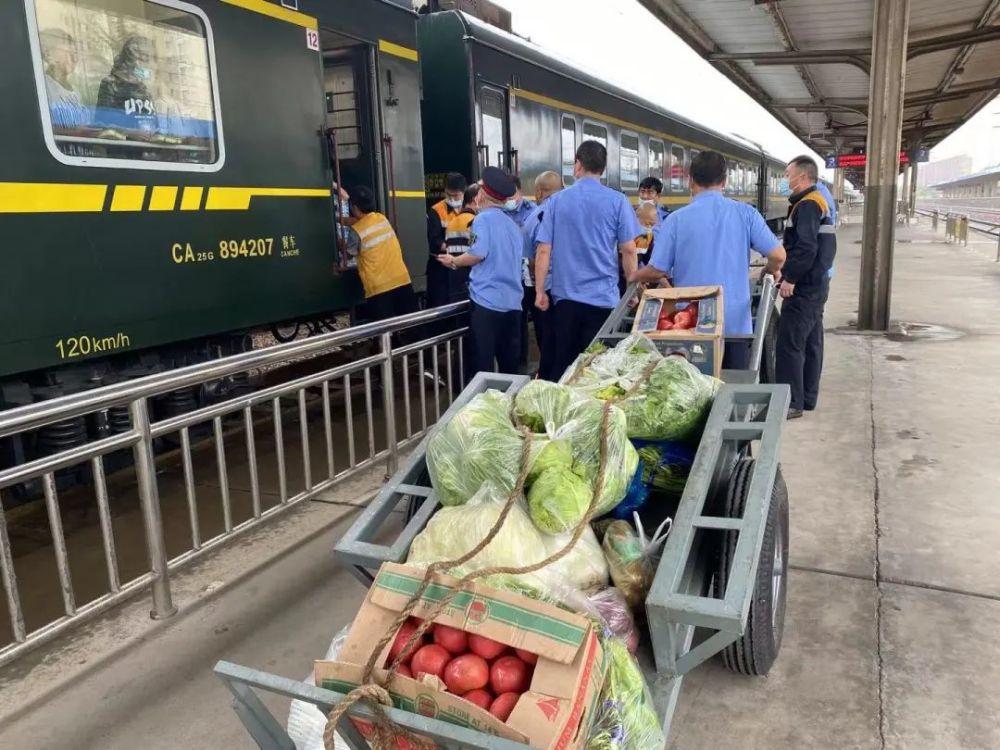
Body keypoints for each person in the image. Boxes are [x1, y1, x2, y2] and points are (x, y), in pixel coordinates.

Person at [631, 151, 786, 371]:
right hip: (734, 324)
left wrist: (634, 275)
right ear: (724, 181)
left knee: (694, 391)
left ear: (690, 180)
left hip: (691, 326)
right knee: (733, 388)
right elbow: (779, 256)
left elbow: (657, 270)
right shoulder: (746, 214)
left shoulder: (676, 220)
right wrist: (769, 270)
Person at [534, 140, 642, 381]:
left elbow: (543, 250)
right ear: (603, 169)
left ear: (578, 165)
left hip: (566, 301)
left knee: (565, 368)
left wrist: (540, 291)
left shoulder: (557, 201)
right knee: (598, 372)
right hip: (603, 302)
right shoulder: (618, 201)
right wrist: (632, 290)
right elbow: (629, 250)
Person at [436, 167, 524, 375]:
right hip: (513, 304)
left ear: (482, 194)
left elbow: (478, 253)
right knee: (509, 367)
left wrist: (454, 261)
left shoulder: (482, 220)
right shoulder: (512, 225)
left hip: (487, 303)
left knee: (482, 367)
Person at [775, 155, 837, 419]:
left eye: (788, 174)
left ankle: (791, 402)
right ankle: (807, 398)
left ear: (802, 177)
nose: (785, 179)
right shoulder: (818, 201)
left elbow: (806, 248)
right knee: (812, 342)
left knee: (790, 344)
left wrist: (790, 279)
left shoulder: (808, 205)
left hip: (805, 287)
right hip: (817, 284)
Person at [340, 185, 418, 323]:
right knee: (411, 324)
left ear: (355, 208)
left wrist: (339, 242)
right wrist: (342, 220)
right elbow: (362, 221)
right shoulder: (382, 219)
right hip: (401, 279)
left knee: (384, 330)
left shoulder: (356, 231)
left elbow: (349, 253)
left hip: (378, 288)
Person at [520, 170, 563, 375]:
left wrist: (539, 289)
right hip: (579, 290)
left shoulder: (534, 218)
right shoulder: (574, 211)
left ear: (538, 192)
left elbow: (532, 259)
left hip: (549, 289)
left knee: (549, 342)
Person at [97, 36, 157, 135]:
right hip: (122, 148)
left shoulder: (144, 90)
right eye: (145, 59)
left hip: (147, 148)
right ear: (133, 60)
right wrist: (132, 133)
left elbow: (154, 125)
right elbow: (103, 124)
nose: (151, 66)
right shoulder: (111, 84)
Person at [426, 172, 468, 307]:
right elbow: (434, 241)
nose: (452, 199)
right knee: (440, 304)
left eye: (456, 196)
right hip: (441, 267)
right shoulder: (436, 211)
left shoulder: (469, 209)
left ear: (464, 192)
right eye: (449, 195)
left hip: (464, 265)